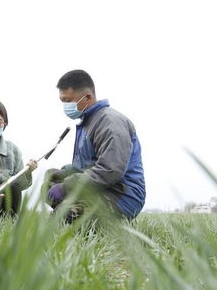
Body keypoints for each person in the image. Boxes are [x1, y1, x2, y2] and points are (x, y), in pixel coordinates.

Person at [45, 69, 145, 221]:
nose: (65, 106)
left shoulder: (110, 123)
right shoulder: (87, 123)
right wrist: (67, 172)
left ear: (88, 97)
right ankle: (73, 209)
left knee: (64, 218)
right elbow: (89, 165)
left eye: (68, 101)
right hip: (99, 188)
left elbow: (110, 171)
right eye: (62, 101)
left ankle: (104, 220)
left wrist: (66, 186)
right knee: (50, 181)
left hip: (120, 194)